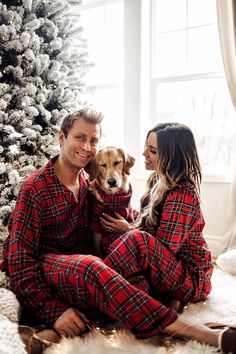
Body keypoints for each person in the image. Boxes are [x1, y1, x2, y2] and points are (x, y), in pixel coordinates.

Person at [1, 114, 235, 354]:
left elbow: (138, 226)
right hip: (50, 264)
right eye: (80, 138)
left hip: (87, 265)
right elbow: (19, 261)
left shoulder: (88, 183)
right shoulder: (35, 188)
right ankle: (191, 331)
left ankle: (68, 329)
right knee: (94, 266)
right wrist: (54, 310)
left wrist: (127, 229)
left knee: (131, 279)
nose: (87, 147)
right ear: (61, 138)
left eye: (93, 140)